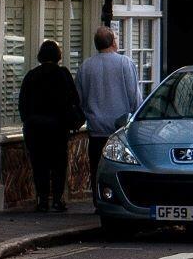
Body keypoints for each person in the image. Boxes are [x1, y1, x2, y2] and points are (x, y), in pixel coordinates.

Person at [17, 38, 82, 212]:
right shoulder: (63, 74)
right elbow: (73, 100)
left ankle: (42, 199)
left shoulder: (31, 75)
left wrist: (28, 121)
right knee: (58, 164)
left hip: (35, 128)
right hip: (57, 127)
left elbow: (22, 102)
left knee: (39, 164)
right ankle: (57, 200)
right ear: (58, 56)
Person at [77, 25, 142, 183]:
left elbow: (80, 98)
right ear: (113, 42)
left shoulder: (85, 66)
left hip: (96, 130)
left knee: (97, 172)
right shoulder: (125, 63)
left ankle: (98, 201)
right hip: (120, 131)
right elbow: (135, 98)